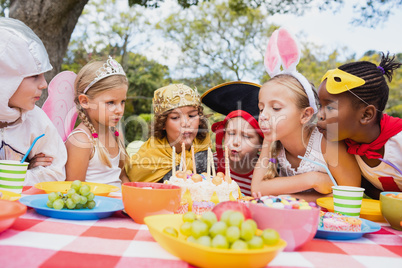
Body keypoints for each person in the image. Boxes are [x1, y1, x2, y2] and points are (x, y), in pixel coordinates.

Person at [252, 28, 361, 201]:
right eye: (261, 108)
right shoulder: (276, 147)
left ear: (305, 115)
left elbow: (351, 196)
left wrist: (286, 196)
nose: (263, 115)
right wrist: (313, 179)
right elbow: (258, 189)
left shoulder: (326, 143)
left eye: (276, 108)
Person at [317, 52, 402, 198]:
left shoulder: (398, 142)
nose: (319, 115)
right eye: (320, 105)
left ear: (366, 115)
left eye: (330, 107)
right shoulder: (345, 146)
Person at [0, 18, 67, 186]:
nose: (44, 84)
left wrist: (25, 174)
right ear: (5, 79)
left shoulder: (37, 121)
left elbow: (55, 172)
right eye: (34, 76)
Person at [64, 56, 129, 187]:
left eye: (122, 102)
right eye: (111, 102)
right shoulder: (81, 141)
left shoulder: (116, 135)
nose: (119, 110)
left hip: (121, 205)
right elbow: (75, 190)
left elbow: (122, 177)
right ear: (85, 101)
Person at [127, 84, 211, 183]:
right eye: (175, 117)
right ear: (162, 123)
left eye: (192, 116)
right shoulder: (147, 158)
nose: (186, 123)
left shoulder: (204, 145)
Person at [201, 81, 263, 196]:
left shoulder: (265, 173)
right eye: (231, 133)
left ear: (261, 145)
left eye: (246, 136)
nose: (235, 142)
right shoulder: (210, 163)